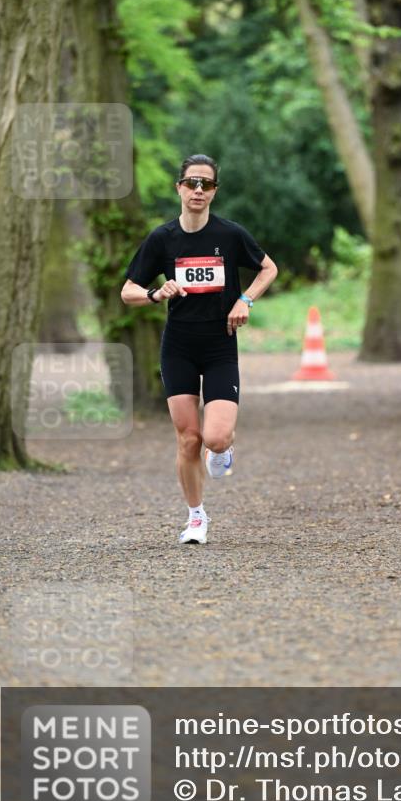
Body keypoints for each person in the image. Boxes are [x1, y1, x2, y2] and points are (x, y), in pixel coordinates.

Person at [121, 154, 278, 544]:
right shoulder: (162, 239)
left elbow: (269, 268)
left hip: (220, 345)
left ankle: (222, 452)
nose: (197, 190)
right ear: (178, 187)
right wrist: (157, 292)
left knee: (216, 438)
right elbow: (128, 291)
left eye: (205, 184)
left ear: (214, 192)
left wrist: (246, 300)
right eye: (191, 182)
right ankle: (195, 517)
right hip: (179, 346)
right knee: (188, 438)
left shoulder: (230, 235)